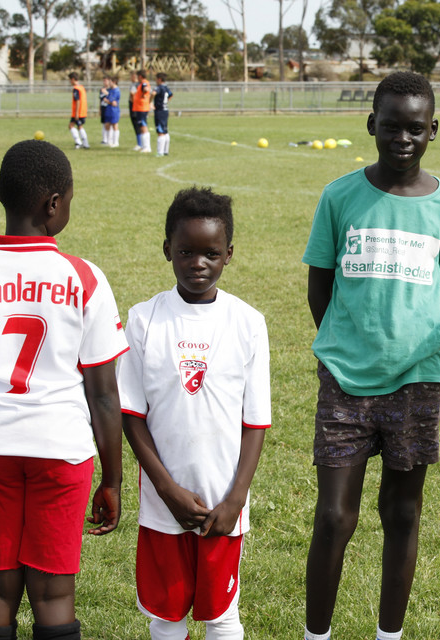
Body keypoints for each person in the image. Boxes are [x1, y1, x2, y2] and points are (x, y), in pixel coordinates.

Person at [0, 139, 128, 640]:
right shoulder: (85, 278)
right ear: (54, 204)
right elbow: (103, 395)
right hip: (61, 450)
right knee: (54, 595)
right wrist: (114, 479)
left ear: (0, 193)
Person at [301, 71, 440, 640]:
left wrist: (405, 340)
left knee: (402, 512)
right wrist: (350, 346)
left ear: (433, 131)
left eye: (415, 128)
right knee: (334, 516)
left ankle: (388, 635)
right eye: (391, 126)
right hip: (346, 379)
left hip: (417, 379)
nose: (403, 138)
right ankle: (316, 635)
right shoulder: (339, 196)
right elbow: (320, 286)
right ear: (371, 125)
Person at [117, 186, 271, 640]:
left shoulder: (247, 322)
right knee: (166, 616)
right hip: (164, 504)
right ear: (167, 250)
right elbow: (131, 414)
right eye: (185, 251)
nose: (197, 263)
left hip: (223, 503)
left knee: (222, 615)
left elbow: (256, 421)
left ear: (229, 255)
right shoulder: (144, 319)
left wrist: (236, 499)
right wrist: (165, 489)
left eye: (211, 253)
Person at [152, 72, 173, 157]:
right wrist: (166, 102)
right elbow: (171, 95)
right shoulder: (166, 88)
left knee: (160, 131)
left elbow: (153, 93)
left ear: (159, 79)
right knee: (165, 131)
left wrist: (150, 102)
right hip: (165, 110)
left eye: (156, 79)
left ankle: (160, 152)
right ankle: (165, 151)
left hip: (160, 111)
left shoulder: (159, 87)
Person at [132, 69, 152, 153]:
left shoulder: (144, 82)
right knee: (141, 126)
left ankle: (147, 147)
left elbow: (146, 88)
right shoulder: (142, 83)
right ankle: (144, 146)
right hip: (139, 107)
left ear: (140, 76)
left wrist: (144, 94)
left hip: (142, 108)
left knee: (143, 126)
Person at [68, 72, 89, 149]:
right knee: (79, 126)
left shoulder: (76, 89)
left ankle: (79, 143)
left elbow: (78, 101)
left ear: (73, 79)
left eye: (70, 80)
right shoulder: (81, 87)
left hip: (78, 112)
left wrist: (76, 113)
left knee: (71, 126)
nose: (70, 82)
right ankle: (85, 144)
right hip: (83, 111)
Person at [105, 75, 121, 148]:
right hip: (108, 110)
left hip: (114, 110)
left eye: (110, 82)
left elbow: (114, 103)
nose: (109, 83)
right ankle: (109, 141)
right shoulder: (109, 90)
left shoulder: (117, 90)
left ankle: (116, 142)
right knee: (108, 125)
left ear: (114, 82)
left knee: (114, 125)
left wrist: (108, 100)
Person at [99, 76, 110, 145]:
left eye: (106, 80)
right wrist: (99, 108)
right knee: (103, 124)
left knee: (108, 124)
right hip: (103, 107)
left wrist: (106, 93)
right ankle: (104, 139)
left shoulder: (110, 89)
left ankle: (109, 140)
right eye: (103, 81)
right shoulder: (101, 89)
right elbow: (100, 100)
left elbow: (111, 98)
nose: (104, 82)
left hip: (108, 108)